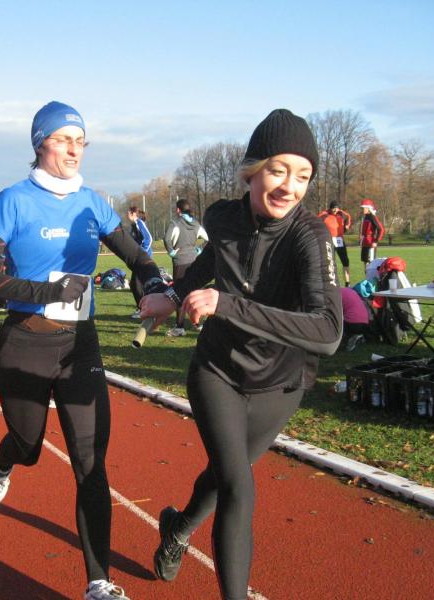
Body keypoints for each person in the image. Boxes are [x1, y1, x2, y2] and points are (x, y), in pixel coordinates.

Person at [140, 109, 342, 600]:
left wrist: (227, 304)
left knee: (223, 476)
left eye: (303, 176)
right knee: (239, 486)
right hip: (218, 372)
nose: (289, 187)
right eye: (278, 171)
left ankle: (178, 528)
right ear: (252, 171)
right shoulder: (222, 218)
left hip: (279, 384)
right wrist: (173, 295)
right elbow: (212, 260)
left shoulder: (309, 236)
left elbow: (328, 331)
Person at [0, 101, 167, 600]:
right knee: (29, 446)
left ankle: (99, 582)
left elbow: (136, 255)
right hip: (25, 342)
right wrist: (46, 291)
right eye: (63, 139)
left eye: (80, 141)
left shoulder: (92, 203)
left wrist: (153, 282)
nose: (74, 149)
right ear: (41, 144)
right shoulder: (13, 200)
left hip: (80, 345)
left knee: (90, 462)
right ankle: (4, 462)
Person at [163, 199, 209, 336]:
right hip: (194, 261)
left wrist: (171, 252)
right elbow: (208, 238)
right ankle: (199, 324)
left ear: (178, 210)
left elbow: (166, 239)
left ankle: (180, 327)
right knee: (195, 293)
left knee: (178, 293)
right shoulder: (196, 224)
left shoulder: (175, 223)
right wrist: (199, 249)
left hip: (180, 261)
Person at [127, 206, 153, 318]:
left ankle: (143, 310)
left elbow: (149, 238)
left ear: (133, 214)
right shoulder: (134, 225)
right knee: (135, 284)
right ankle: (143, 308)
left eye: (128, 212)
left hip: (143, 259)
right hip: (139, 259)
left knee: (136, 284)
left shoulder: (139, 223)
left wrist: (142, 252)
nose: (127, 215)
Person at [318, 201, 352, 286]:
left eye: (336, 208)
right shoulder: (324, 214)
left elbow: (348, 217)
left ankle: (347, 283)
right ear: (330, 208)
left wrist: (346, 226)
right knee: (330, 262)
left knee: (345, 261)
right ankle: (330, 282)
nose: (335, 210)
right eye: (333, 208)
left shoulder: (341, 213)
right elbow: (316, 222)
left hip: (340, 240)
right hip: (329, 241)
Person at [359, 198, 384, 272]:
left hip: (370, 243)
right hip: (365, 243)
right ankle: (366, 278)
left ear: (368, 208)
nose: (362, 210)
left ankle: (371, 278)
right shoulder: (365, 217)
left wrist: (376, 241)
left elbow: (381, 229)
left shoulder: (372, 217)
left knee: (371, 263)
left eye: (363, 208)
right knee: (365, 261)